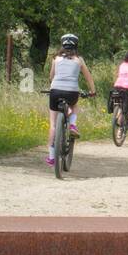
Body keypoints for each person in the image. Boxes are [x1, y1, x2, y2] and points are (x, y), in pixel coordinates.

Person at [46, 33, 95, 166]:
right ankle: (73, 124)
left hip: (55, 91)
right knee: (74, 105)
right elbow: (88, 77)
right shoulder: (79, 59)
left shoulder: (55, 58)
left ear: (62, 45)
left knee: (53, 125)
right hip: (72, 92)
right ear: (76, 46)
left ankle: (51, 157)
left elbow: (51, 77)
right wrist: (92, 91)